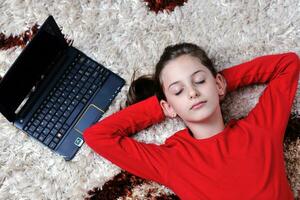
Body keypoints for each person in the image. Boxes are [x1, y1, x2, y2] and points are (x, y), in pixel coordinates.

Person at [83, 43, 300, 200]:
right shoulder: (172, 160)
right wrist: (162, 106)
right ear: (168, 106)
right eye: (178, 91)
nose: (193, 93)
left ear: (218, 84)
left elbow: (287, 64)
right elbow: (97, 136)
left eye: (199, 80)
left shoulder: (261, 129)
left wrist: (220, 85)